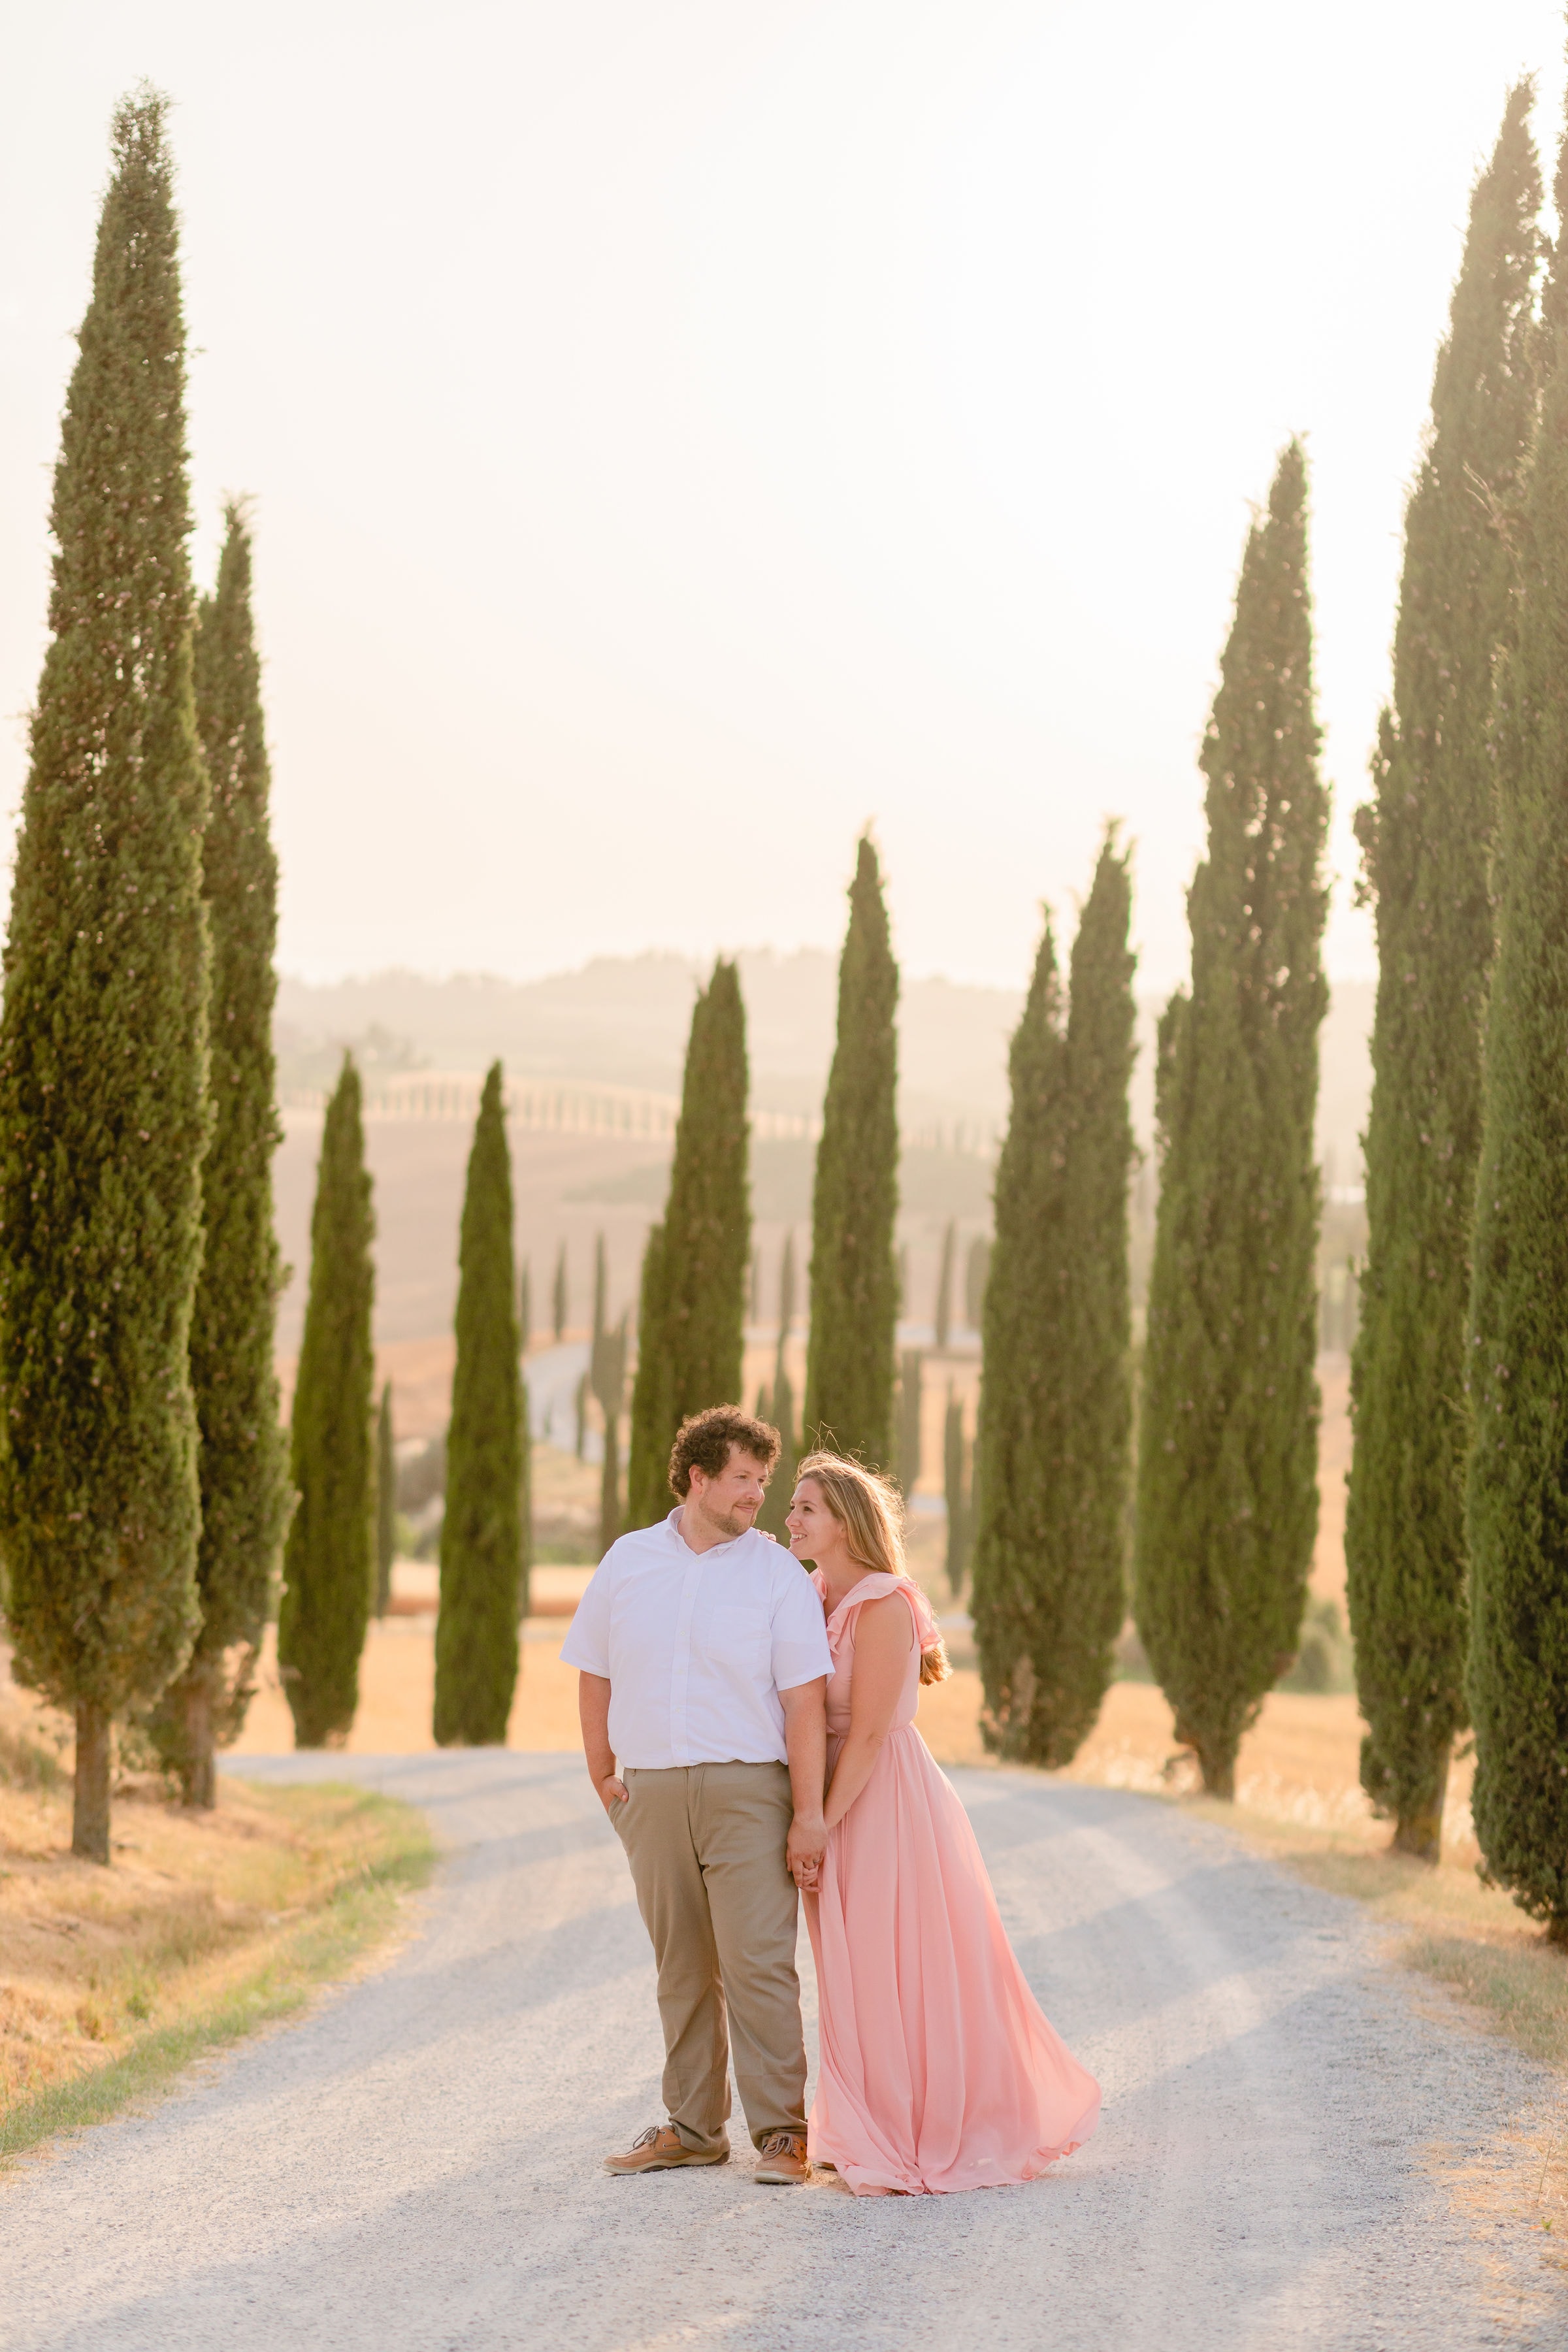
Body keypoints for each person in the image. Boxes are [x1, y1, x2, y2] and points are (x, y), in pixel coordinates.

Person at [786, 1451, 1100, 2197]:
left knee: (893, 1961)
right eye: (793, 1506)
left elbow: (865, 1735)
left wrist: (819, 1823)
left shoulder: (885, 1602)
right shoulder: (811, 1593)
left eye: (806, 1509)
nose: (790, 1519)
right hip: (824, 1796)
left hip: (879, 1800)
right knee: (849, 1968)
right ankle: (861, 2121)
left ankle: (913, 2127)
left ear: (846, 1523)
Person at [562, 1404, 831, 2186]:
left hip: (750, 1790)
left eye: (762, 1480)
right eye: (742, 1479)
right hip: (648, 1791)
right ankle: (692, 2128)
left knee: (758, 1967)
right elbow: (594, 1668)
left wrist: (807, 1813)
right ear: (698, 1477)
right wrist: (601, 1770)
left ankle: (783, 2134)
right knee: (680, 1967)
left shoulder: (776, 1572)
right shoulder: (628, 1560)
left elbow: (805, 1701)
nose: (757, 1496)